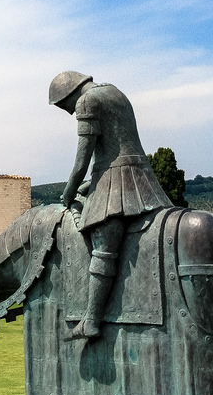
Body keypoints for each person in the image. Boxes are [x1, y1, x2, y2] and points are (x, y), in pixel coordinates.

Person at [49, 71, 174, 340]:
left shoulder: (86, 101)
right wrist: (90, 186)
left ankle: (91, 319)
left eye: (64, 106)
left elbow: (83, 157)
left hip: (119, 181)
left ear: (69, 94)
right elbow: (114, 148)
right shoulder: (115, 92)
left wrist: (70, 189)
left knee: (103, 246)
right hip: (140, 175)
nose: (70, 112)